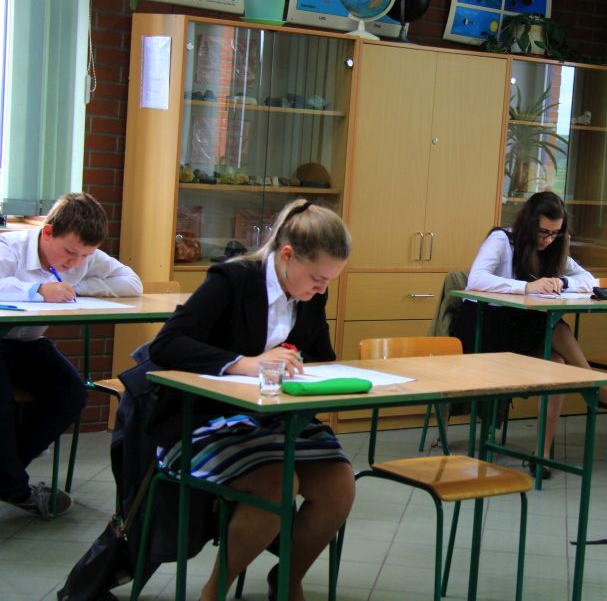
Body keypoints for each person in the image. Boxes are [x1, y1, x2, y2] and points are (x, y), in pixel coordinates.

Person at [148, 199, 353, 601]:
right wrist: (245, 363)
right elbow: (167, 344)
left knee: (338, 485)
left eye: (330, 281)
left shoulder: (310, 295)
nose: (322, 289)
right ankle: (215, 590)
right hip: (204, 418)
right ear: (287, 256)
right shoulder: (233, 280)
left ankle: (288, 579)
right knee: (277, 483)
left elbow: (322, 357)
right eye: (317, 278)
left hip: (271, 419)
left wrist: (299, 360)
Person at [452, 191, 607, 476]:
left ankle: (542, 453)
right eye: (543, 232)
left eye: (555, 233)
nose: (548, 239)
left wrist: (561, 282)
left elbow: (589, 280)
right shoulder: (503, 239)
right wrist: (526, 287)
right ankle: (596, 387)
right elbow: (476, 279)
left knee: (557, 365)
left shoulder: (553, 247)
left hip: (519, 327)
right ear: (529, 224)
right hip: (483, 326)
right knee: (554, 327)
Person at [0, 192, 142, 518]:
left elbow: (132, 283)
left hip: (27, 344)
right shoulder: (10, 247)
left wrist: (75, 288)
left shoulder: (83, 257)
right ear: (48, 232)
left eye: (85, 256)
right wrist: (37, 290)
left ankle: (6, 476)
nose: (75, 263)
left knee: (71, 393)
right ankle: (15, 486)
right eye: (69, 253)